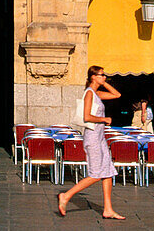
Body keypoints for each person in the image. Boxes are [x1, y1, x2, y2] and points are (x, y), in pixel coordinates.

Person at [57, 66, 124, 221]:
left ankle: (108, 209)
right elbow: (86, 116)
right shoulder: (89, 94)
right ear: (93, 77)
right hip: (92, 138)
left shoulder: (96, 93)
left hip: (100, 138)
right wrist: (104, 119)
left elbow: (117, 94)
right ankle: (66, 196)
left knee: (108, 171)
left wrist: (104, 81)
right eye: (101, 75)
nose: (104, 77)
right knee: (96, 174)